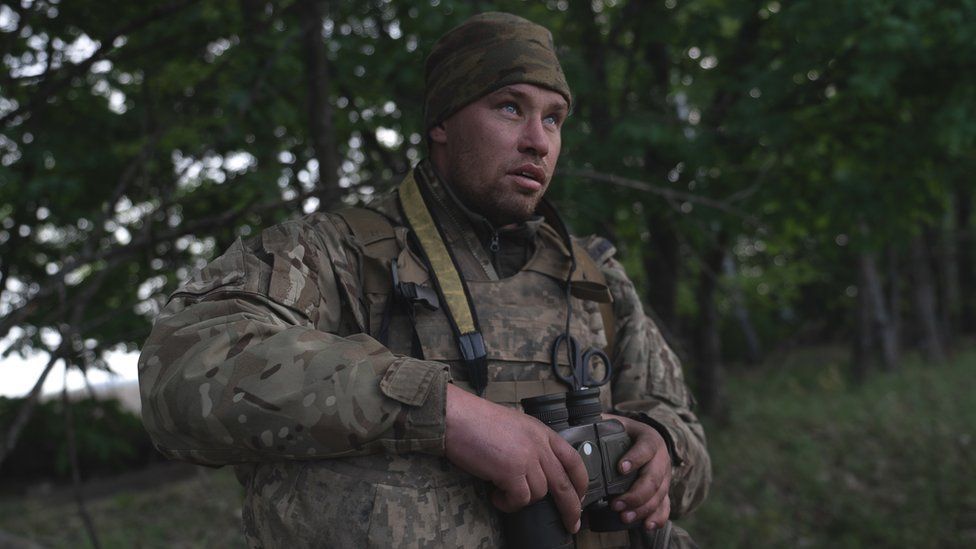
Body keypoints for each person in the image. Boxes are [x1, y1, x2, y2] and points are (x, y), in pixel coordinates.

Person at [139, 11, 710, 549]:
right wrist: (444, 412)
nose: (538, 139)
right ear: (442, 121)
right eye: (510, 107)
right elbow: (181, 373)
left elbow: (687, 443)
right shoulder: (337, 256)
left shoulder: (594, 278)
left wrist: (659, 447)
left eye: (553, 117)